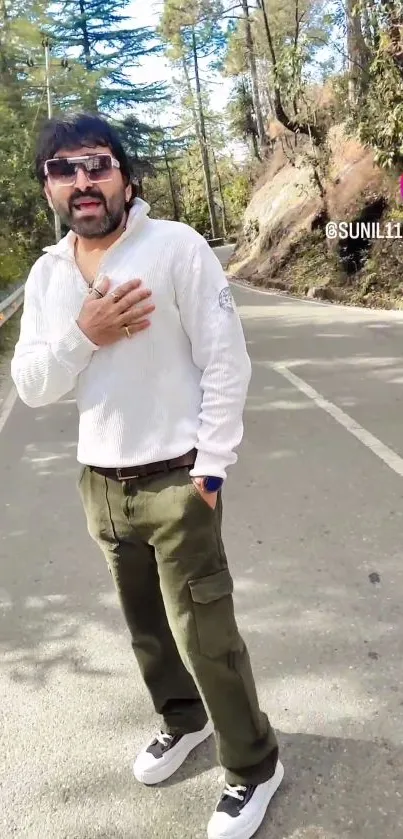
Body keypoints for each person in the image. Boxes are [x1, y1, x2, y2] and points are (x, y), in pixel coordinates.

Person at [11, 113, 283, 839]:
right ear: (48, 190)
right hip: (99, 480)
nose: (82, 181)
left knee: (205, 635)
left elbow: (226, 360)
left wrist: (212, 468)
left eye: (96, 164)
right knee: (146, 632)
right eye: (63, 170)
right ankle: (181, 720)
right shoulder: (47, 275)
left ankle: (254, 763)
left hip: (178, 478)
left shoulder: (175, 247)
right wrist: (84, 334)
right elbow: (33, 383)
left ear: (125, 177)